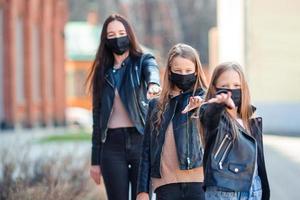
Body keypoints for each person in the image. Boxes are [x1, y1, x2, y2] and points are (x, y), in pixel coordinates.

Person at [86, 13, 161, 200]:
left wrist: (153, 84)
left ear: (129, 34)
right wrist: (95, 161)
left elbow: (152, 69)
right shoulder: (102, 71)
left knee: (141, 197)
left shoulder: (142, 61)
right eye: (111, 35)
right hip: (111, 146)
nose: (117, 38)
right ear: (105, 40)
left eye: (121, 32)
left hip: (140, 141)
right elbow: (97, 117)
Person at [137, 43, 208, 200]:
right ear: (169, 71)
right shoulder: (156, 105)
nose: (183, 75)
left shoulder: (206, 100)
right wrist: (142, 190)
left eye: (188, 71)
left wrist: (203, 105)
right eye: (178, 70)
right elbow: (146, 150)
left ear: (196, 71)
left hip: (198, 183)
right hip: (165, 186)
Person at [198, 62, 270, 200]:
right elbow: (209, 116)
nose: (230, 91)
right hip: (224, 190)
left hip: (254, 189)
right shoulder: (210, 114)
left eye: (236, 86)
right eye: (224, 87)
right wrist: (218, 105)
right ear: (214, 88)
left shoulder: (251, 121)